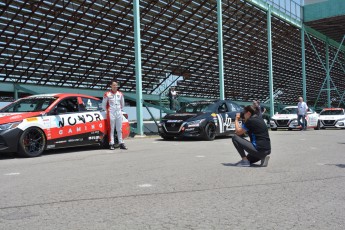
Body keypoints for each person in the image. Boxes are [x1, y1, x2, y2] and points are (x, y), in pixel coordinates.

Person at [102, 81, 128, 150]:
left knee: (119, 129)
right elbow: (103, 105)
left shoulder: (120, 94)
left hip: (118, 112)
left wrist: (119, 110)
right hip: (111, 113)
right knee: (111, 129)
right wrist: (107, 111)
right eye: (113, 85)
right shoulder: (107, 94)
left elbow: (122, 104)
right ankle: (111, 143)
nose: (115, 86)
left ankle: (121, 143)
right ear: (111, 86)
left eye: (116, 85)